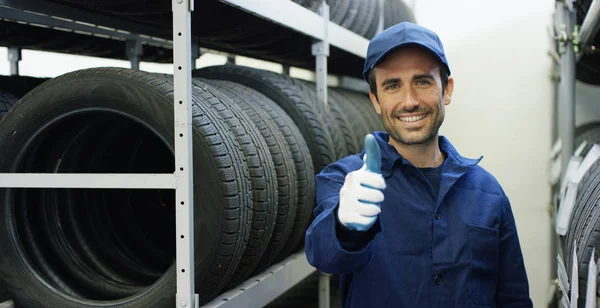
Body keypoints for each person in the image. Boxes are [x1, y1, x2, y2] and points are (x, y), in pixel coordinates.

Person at [304, 21, 533, 307]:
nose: (409, 101)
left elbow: (513, 298)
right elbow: (324, 257)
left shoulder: (488, 192)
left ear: (446, 89)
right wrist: (344, 226)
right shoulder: (345, 181)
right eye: (392, 86)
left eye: (422, 81)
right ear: (375, 99)